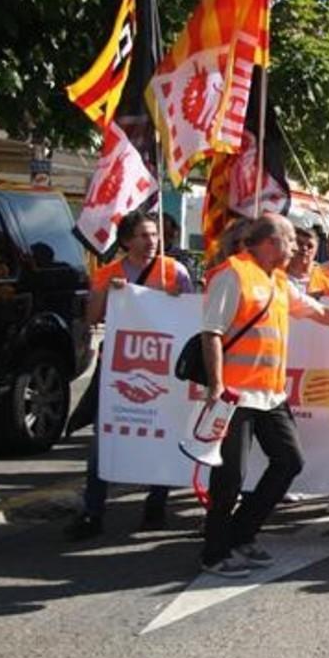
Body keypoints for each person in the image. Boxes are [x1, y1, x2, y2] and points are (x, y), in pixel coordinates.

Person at [198, 214, 329, 577]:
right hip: (235, 395)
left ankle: (241, 535)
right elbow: (211, 332)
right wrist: (216, 385)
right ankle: (215, 553)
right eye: (290, 240)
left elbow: (323, 312)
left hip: (270, 395)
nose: (296, 248)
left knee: (289, 461)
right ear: (270, 242)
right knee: (230, 477)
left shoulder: (278, 281)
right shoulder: (233, 274)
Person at [64, 211, 194, 542]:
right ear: (125, 241)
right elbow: (93, 317)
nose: (152, 242)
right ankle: (93, 511)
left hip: (163, 369)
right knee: (104, 440)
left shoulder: (173, 271)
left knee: (162, 434)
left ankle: (156, 505)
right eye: (144, 236)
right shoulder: (108, 273)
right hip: (119, 370)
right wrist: (109, 292)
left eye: (155, 235)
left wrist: (178, 299)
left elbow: (192, 315)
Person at [285, 223, 329, 297]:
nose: (304, 248)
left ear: (316, 251)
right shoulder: (275, 272)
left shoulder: (326, 279)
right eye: (300, 243)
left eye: (310, 246)